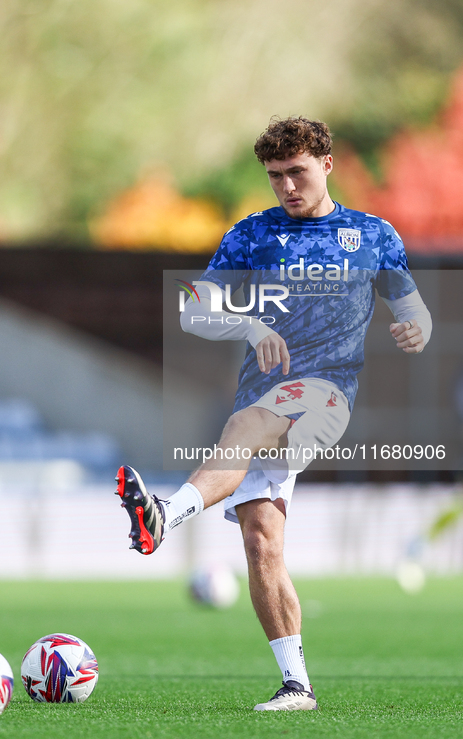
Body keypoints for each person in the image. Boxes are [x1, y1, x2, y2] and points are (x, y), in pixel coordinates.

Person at [114, 117, 432, 711]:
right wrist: (250, 321)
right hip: (263, 395)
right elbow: (192, 310)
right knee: (262, 542)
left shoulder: (372, 235)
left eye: (297, 172)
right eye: (275, 176)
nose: (287, 186)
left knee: (244, 426)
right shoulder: (251, 235)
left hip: (326, 395)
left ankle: (163, 514)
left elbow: (412, 306)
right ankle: (298, 686)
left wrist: (416, 327)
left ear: (327, 165)